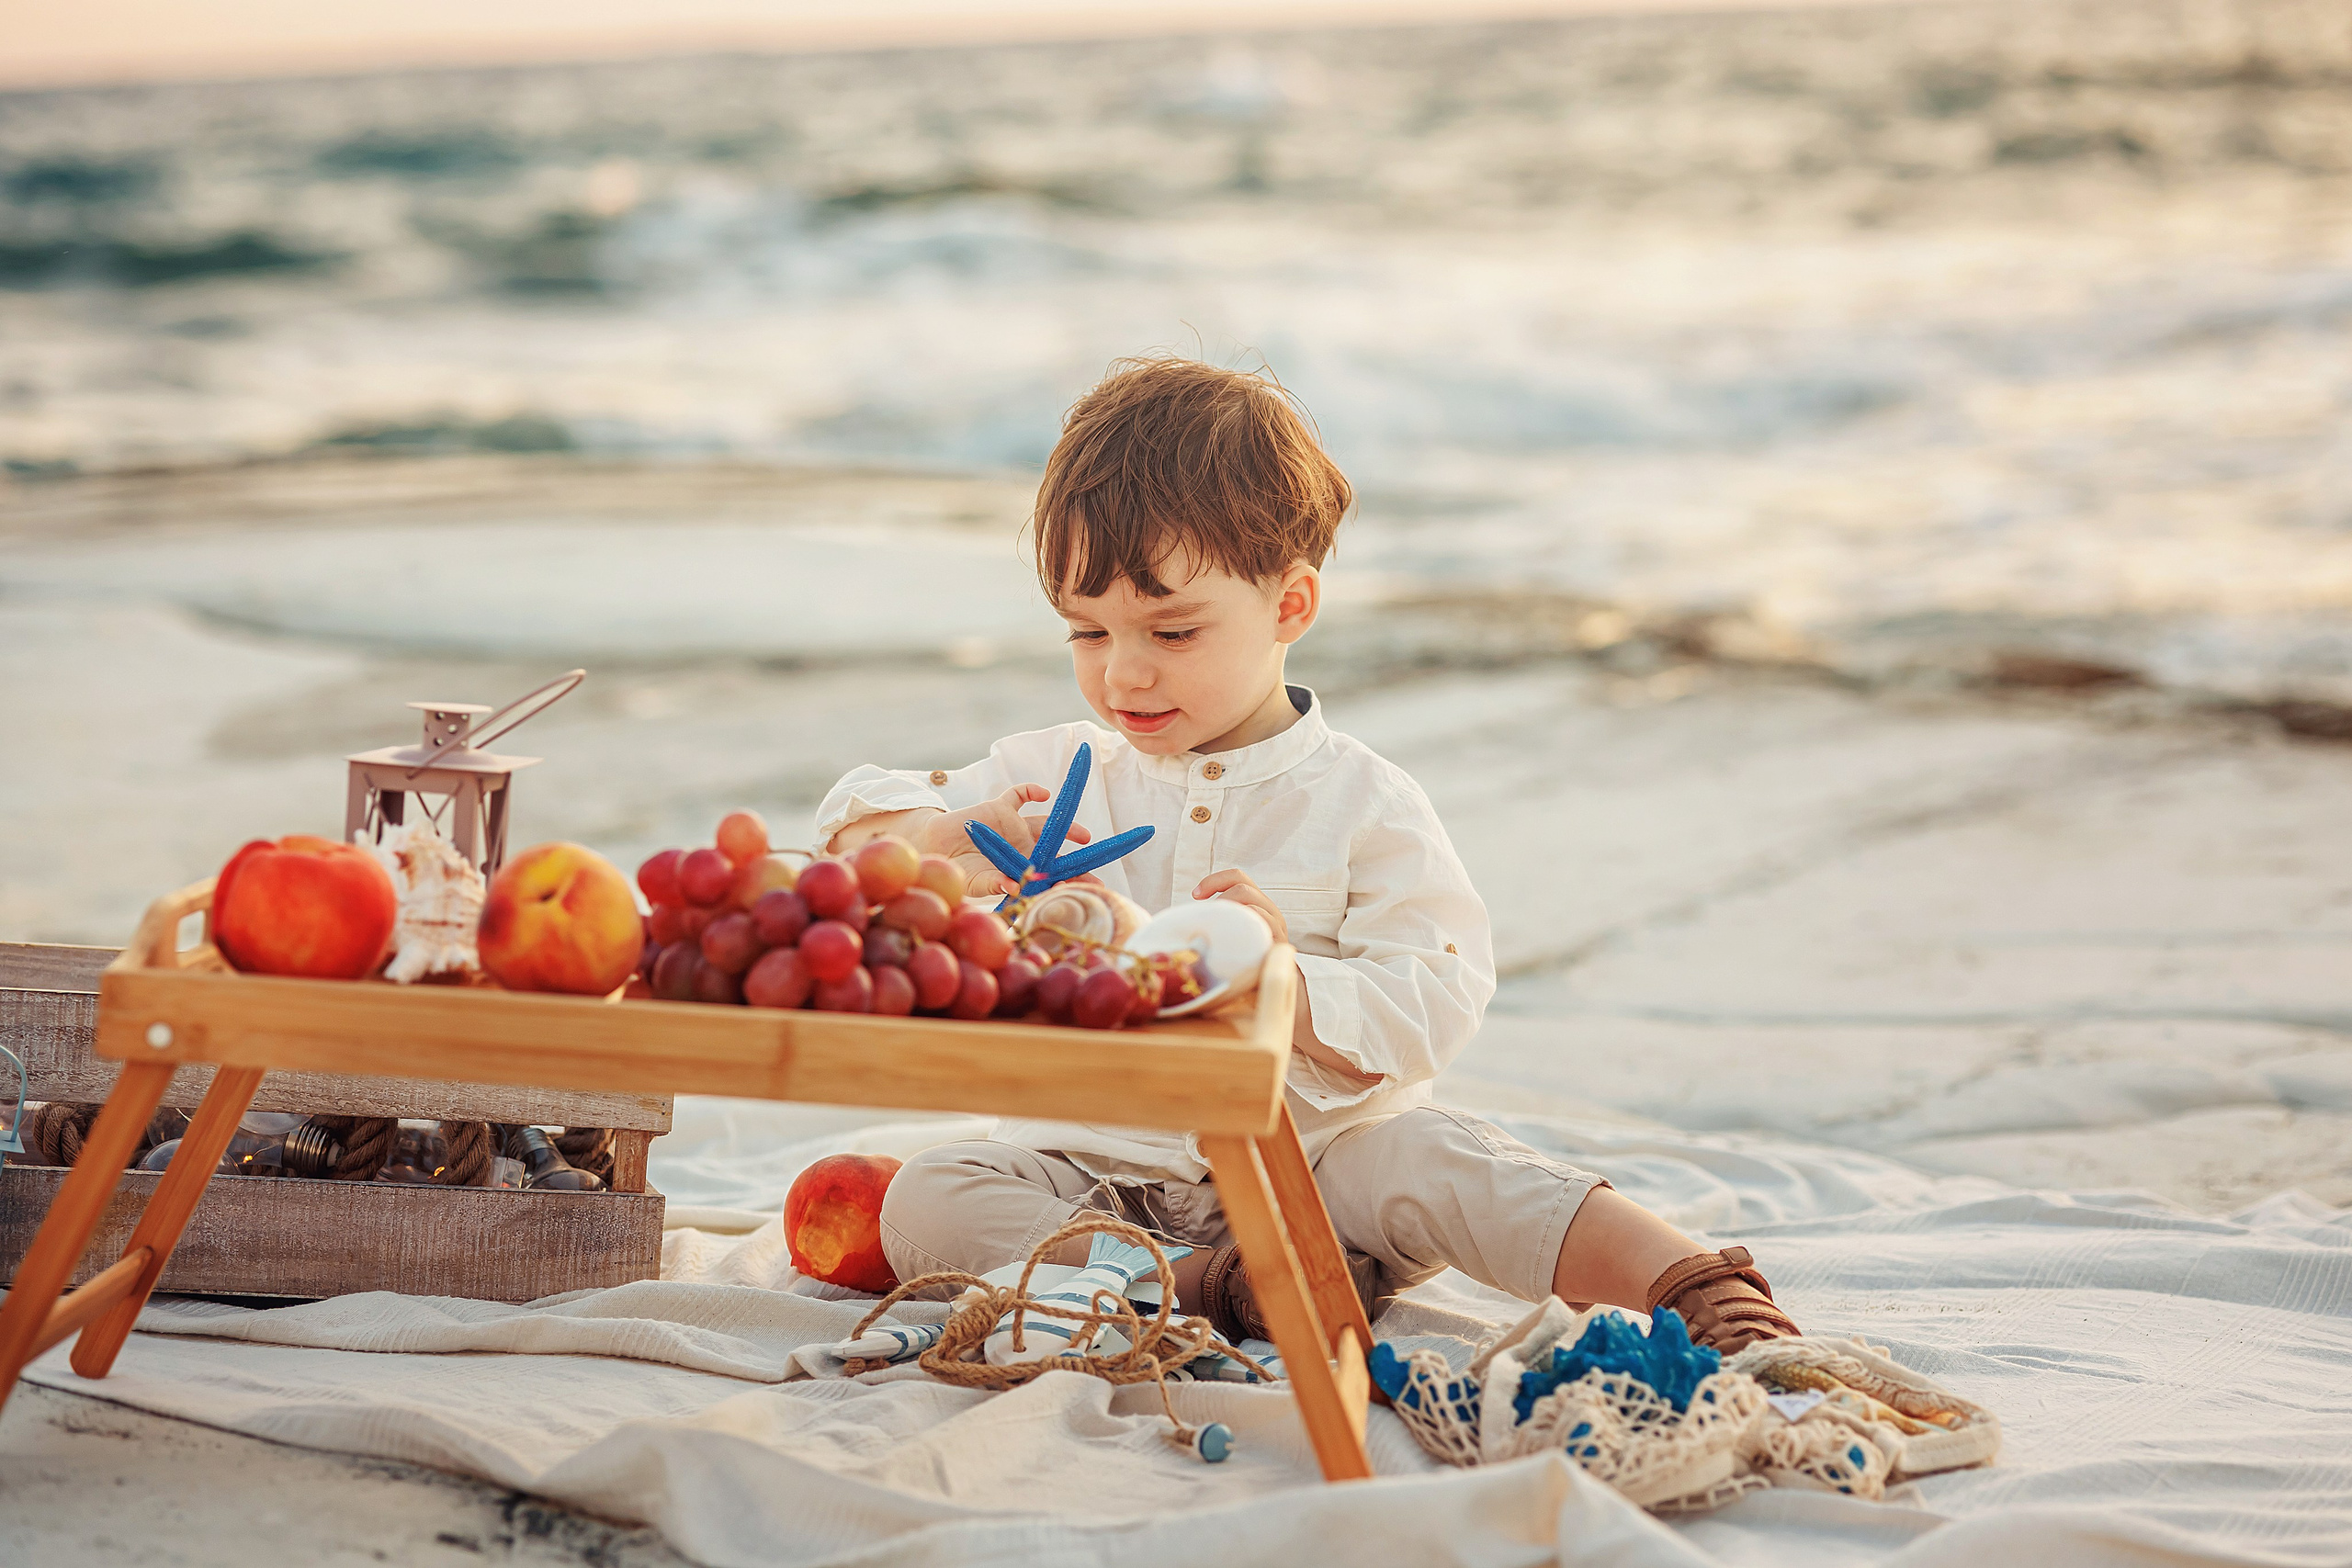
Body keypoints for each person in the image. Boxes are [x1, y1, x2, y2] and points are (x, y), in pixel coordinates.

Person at [818, 355, 1800, 1354]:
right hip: (1090, 1178)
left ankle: (1691, 1283)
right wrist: (945, 843)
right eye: (1086, 631)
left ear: (1289, 605)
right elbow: (857, 823)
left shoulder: (1362, 801)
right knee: (932, 1198)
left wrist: (1283, 983)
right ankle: (1215, 1289)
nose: (1124, 671)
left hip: (1318, 1174)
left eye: (1173, 628)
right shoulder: (1043, 779)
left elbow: (1438, 992)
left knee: (1436, 1157)